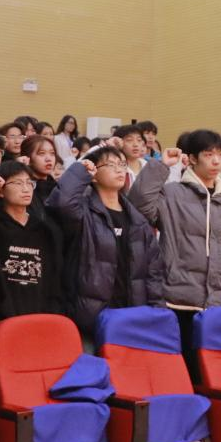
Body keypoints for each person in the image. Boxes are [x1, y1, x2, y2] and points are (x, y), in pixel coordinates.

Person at [129, 130, 221, 353]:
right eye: (208, 154)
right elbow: (138, 205)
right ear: (192, 158)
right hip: (180, 302)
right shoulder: (173, 194)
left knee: (215, 370)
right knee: (184, 367)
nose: (216, 161)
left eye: (220, 154)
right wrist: (160, 166)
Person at [0, 160, 66, 398]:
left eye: (29, 183)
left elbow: (54, 278)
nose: (26, 188)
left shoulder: (46, 230)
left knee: (31, 392)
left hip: (35, 324)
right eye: (17, 183)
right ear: (1, 189)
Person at [47, 145, 163, 343]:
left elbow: (153, 271)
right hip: (90, 318)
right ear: (93, 175)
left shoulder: (137, 220)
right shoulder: (83, 213)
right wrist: (79, 171)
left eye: (122, 164)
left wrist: (157, 312)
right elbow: (61, 202)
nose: (119, 170)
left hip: (130, 316)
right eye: (110, 165)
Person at [19, 134, 59, 214]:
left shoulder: (57, 187)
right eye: (41, 153)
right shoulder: (24, 189)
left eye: (52, 153)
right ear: (27, 158)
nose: (49, 159)